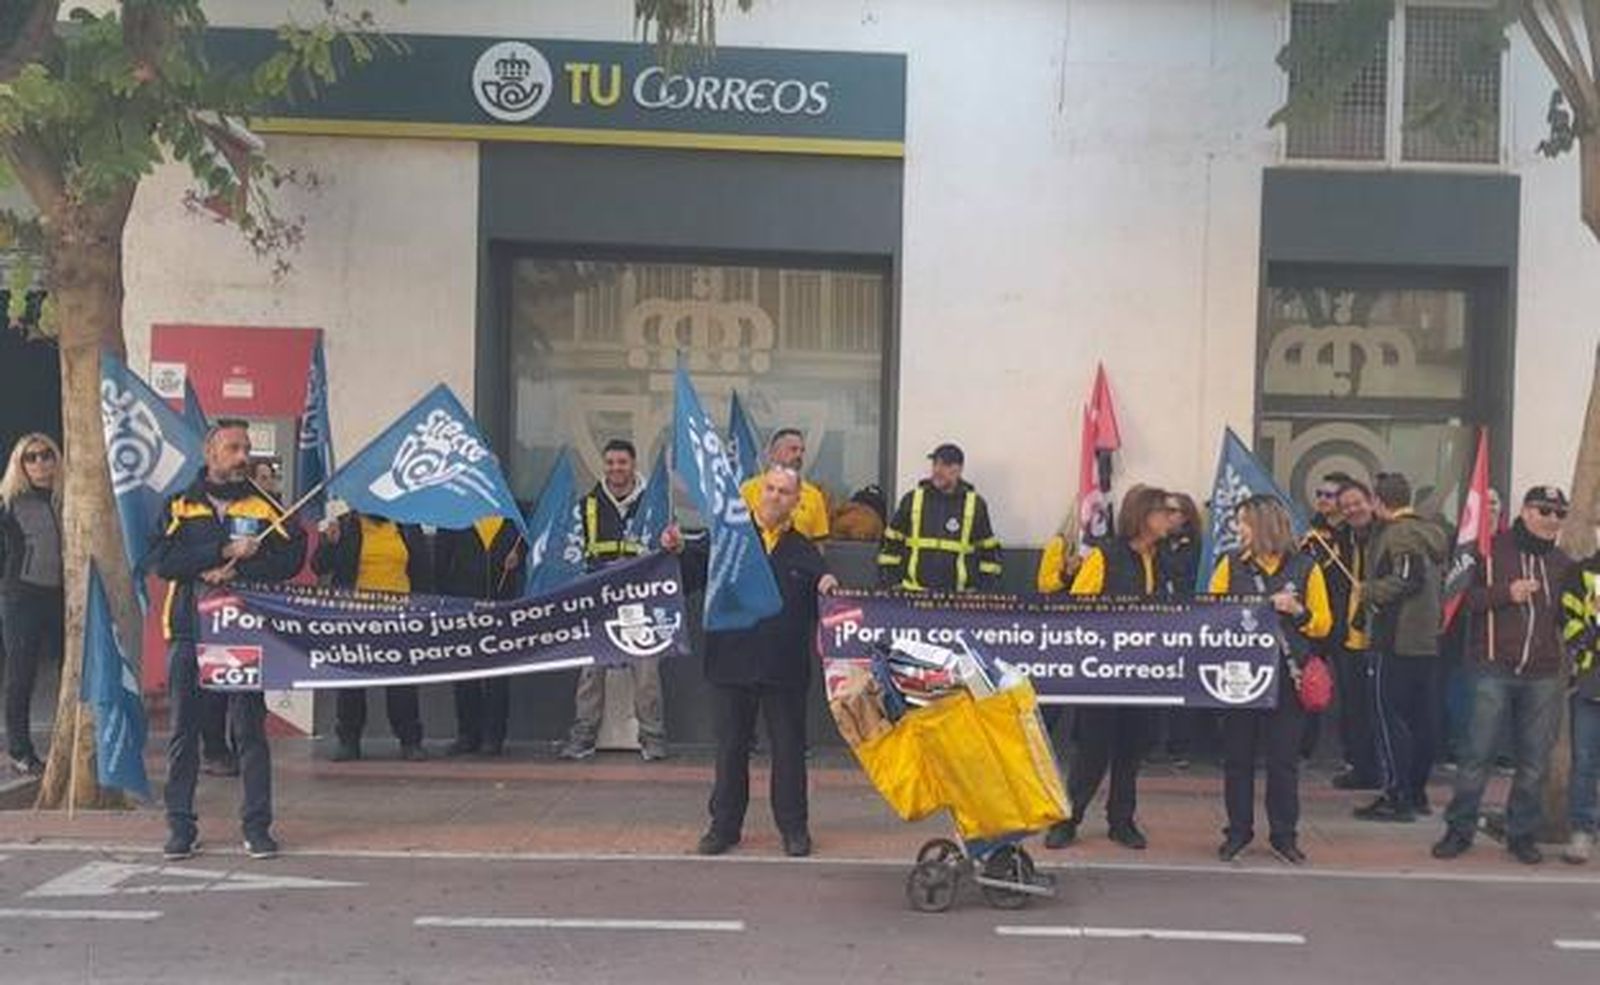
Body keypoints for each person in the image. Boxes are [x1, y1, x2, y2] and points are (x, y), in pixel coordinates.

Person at [151, 419, 306, 860]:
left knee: (250, 732)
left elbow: (293, 556)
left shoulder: (264, 505)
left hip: (243, 634)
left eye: (247, 448)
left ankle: (257, 827)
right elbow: (162, 560)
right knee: (184, 732)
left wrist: (242, 570)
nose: (243, 457)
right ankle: (180, 826)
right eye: (233, 448)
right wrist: (216, 555)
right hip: (188, 631)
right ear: (211, 453)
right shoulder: (180, 504)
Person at [668, 465, 838, 857]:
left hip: (784, 669)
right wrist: (676, 550)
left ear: (797, 502)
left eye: (784, 492)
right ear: (759, 493)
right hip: (731, 663)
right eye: (770, 489)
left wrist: (828, 587)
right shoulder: (729, 539)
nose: (775, 496)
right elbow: (689, 573)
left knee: (789, 750)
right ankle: (723, 827)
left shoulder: (805, 551)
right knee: (730, 749)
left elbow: (825, 603)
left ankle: (794, 829)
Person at [1433, 486, 1574, 864]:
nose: (1552, 519)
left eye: (1560, 513)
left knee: (1533, 762)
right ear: (1526, 512)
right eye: (1544, 510)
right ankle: (1459, 830)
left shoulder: (1562, 563)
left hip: (1542, 673)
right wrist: (1505, 593)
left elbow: (1571, 617)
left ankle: (1521, 834)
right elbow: (1460, 601)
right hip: (1492, 667)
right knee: (1477, 755)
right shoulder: (1491, 550)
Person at [1045, 485, 1175, 851]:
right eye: (1163, 512)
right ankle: (1068, 819)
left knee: (1132, 749)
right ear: (1144, 516)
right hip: (1103, 670)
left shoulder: (1164, 558)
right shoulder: (1106, 556)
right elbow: (1079, 607)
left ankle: (1122, 820)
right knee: (1093, 750)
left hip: (1147, 672)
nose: (1169, 519)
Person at [1210, 495, 1332, 864]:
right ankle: (1238, 831)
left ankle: (1284, 835)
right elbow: (1211, 614)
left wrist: (1297, 610)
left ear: (1263, 525)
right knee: (1237, 759)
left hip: (1286, 675)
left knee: (1283, 761)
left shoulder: (1306, 567)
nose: (1239, 529)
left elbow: (1324, 624)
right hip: (1241, 675)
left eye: (1244, 522)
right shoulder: (1231, 565)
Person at [560, 439, 668, 762]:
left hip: (642, 604)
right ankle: (583, 736)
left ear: (634, 465)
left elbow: (669, 552)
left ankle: (653, 737)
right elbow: (574, 552)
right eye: (610, 463)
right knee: (590, 673)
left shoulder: (655, 504)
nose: (615, 468)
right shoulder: (587, 505)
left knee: (647, 673)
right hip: (599, 604)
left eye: (622, 462)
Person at [1353, 472, 1449, 824]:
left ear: (1379, 502)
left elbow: (1408, 578)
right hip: (1426, 641)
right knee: (1419, 720)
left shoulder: (1399, 533)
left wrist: (1370, 591)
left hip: (1395, 639)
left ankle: (1396, 795)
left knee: (1388, 717)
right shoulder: (1431, 531)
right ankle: (1416, 791)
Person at [312, 508, 432, 762]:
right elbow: (318, 566)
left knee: (402, 682)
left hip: (399, 617)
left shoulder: (407, 524)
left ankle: (410, 740)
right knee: (352, 682)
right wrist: (330, 544)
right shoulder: (344, 525)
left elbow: (422, 569)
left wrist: (424, 609)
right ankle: (349, 740)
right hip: (355, 616)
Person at [0, 433, 63, 776]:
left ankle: (67, 745)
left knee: (70, 669)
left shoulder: (67, 497)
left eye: (46, 455)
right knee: (21, 674)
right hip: (22, 597)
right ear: (20, 464)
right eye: (31, 457)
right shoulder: (10, 502)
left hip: (61, 596)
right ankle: (20, 750)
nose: (40, 463)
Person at [436, 515, 524, 757]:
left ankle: (494, 736)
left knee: (497, 676)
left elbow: (530, 554)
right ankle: (467, 734)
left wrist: (519, 559)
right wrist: (444, 605)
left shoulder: (513, 521)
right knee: (465, 673)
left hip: (501, 607)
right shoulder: (455, 518)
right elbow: (440, 562)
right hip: (462, 607)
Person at [878, 443, 1002, 592]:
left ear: (958, 469)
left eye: (944, 465)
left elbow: (989, 553)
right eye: (935, 464)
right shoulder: (913, 499)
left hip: (958, 601)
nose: (937, 470)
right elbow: (890, 545)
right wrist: (891, 584)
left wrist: (982, 591)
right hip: (913, 597)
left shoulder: (975, 504)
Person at [1328, 478, 1382, 790]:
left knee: (1379, 707)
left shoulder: (1386, 534)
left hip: (1379, 635)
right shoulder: (1340, 539)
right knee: (1353, 706)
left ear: (1372, 501)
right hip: (1347, 636)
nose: (1352, 509)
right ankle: (1360, 766)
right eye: (1345, 506)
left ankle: (1381, 767)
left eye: (1356, 503)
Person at [1560, 548, 1600, 864]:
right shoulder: (1582, 571)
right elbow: (1568, 621)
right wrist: (1588, 636)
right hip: (1593, 678)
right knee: (1585, 762)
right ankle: (1582, 832)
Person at [740, 428, 829, 540]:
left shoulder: (814, 496)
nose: (799, 455)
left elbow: (818, 544)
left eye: (802, 451)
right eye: (793, 449)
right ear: (773, 453)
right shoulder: (748, 490)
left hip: (796, 555)